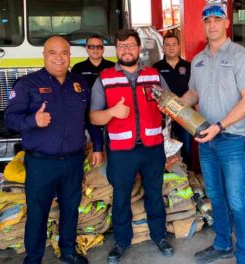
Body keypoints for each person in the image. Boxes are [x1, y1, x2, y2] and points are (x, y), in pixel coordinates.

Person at [4, 35, 104, 264]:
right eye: (53, 52)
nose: (59, 58)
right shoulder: (27, 84)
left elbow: (90, 119)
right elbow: (9, 118)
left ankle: (68, 251)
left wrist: (97, 146)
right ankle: (34, 257)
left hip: (73, 160)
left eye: (64, 53)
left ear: (70, 55)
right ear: (44, 55)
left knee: (70, 209)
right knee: (38, 212)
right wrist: (32, 121)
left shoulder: (79, 84)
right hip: (41, 163)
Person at [180, 3, 245, 263]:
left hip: (232, 139)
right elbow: (194, 93)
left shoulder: (241, 56)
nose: (212, 24)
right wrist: (174, 104)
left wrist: (220, 126)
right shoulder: (199, 60)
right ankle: (223, 243)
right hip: (206, 139)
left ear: (226, 23)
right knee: (215, 196)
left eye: (217, 19)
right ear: (203, 25)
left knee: (237, 200)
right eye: (207, 20)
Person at [89, 29, 173, 263]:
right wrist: (112, 112)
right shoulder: (104, 78)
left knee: (154, 194)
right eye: (121, 46)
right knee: (121, 196)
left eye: (131, 45)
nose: (126, 50)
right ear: (116, 50)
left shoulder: (154, 75)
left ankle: (159, 235)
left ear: (139, 49)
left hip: (152, 147)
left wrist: (167, 108)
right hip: (121, 151)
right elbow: (94, 117)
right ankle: (121, 242)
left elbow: (170, 104)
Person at [153, 33, 192, 168]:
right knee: (163, 147)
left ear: (179, 47)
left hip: (185, 114)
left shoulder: (188, 66)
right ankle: (167, 175)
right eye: (167, 45)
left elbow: (195, 91)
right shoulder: (155, 68)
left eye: (174, 45)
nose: (171, 48)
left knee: (186, 147)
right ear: (163, 47)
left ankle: (187, 174)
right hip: (164, 115)